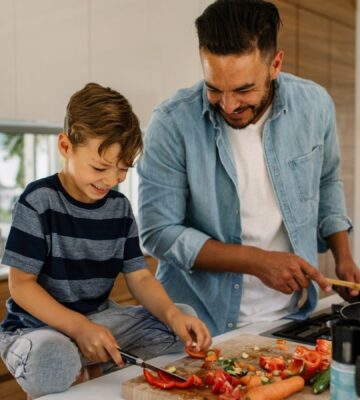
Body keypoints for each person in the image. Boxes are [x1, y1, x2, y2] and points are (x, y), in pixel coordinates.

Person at [137, 0, 360, 336]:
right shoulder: (171, 123)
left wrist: (342, 254)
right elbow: (157, 232)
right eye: (214, 88)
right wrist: (257, 261)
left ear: (276, 64)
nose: (228, 105)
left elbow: (327, 181)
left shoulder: (315, 106)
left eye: (243, 89)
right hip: (196, 324)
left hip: (292, 318)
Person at [0, 83, 211, 399]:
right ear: (65, 146)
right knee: (53, 358)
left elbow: (139, 277)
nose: (112, 180)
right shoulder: (38, 200)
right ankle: (83, 365)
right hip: (37, 328)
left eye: (123, 168)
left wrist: (173, 315)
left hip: (100, 320)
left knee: (182, 321)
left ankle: (89, 364)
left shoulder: (119, 208)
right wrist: (78, 328)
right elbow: (22, 285)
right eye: (100, 167)